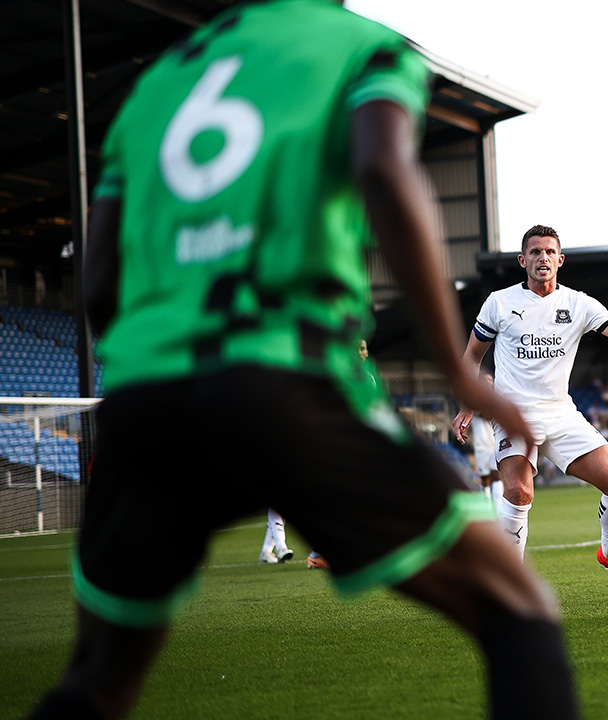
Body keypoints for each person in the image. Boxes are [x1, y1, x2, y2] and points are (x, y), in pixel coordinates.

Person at [26, 3, 578, 718]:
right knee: (518, 611)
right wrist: (453, 363)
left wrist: (154, 371)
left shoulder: (159, 84)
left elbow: (99, 278)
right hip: (285, 381)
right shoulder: (360, 47)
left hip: (145, 402)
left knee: (97, 682)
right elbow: (385, 168)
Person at [452, 224, 608, 592]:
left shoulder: (579, 304)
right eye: (535, 252)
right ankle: (508, 587)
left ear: (560, 260)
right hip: (513, 414)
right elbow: (472, 355)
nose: (542, 258)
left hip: (561, 414)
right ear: (522, 260)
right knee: (518, 493)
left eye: (549, 252)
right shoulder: (499, 303)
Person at [307, 337, 375, 571]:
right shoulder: (336, 371)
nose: (362, 352)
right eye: (358, 348)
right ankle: (320, 552)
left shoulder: (368, 376)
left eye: (364, 348)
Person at [473, 370, 504, 505]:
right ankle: (486, 509)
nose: (488, 383)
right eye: (485, 381)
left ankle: (498, 512)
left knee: (497, 475)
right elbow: (485, 414)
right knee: (485, 479)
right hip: (482, 445)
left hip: (496, 442)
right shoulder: (473, 400)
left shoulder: (497, 399)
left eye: (490, 380)